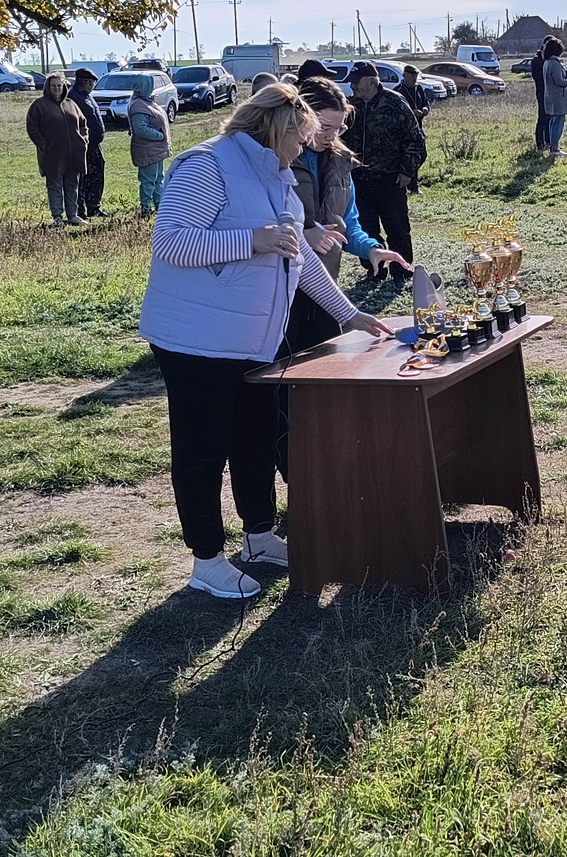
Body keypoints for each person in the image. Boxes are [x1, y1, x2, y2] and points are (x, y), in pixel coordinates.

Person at [139, 83, 394, 599]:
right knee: (203, 447)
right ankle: (206, 559)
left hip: (255, 338)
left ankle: (258, 535)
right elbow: (170, 242)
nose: (305, 149)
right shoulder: (206, 165)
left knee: (254, 439)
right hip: (197, 340)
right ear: (277, 130)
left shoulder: (276, 176)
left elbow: (295, 258)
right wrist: (250, 241)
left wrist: (349, 314)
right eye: (301, 138)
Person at [287, 78, 414, 348]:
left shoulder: (341, 162)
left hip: (324, 289)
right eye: (323, 127)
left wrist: (371, 249)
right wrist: (302, 237)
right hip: (281, 293)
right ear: (300, 117)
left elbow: (348, 225)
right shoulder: (278, 160)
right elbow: (258, 224)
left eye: (338, 128)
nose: (331, 136)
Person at [346, 61, 423, 262]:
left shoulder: (394, 102)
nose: (353, 86)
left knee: (397, 227)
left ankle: (402, 269)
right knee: (366, 227)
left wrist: (407, 171)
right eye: (351, 82)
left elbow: (414, 139)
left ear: (372, 82)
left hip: (390, 178)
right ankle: (373, 269)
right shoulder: (351, 107)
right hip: (360, 179)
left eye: (356, 82)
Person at [26, 71, 90, 226]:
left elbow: (83, 123)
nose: (56, 89)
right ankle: (57, 217)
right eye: (53, 86)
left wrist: (83, 141)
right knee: (55, 185)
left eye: (59, 85)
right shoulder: (39, 106)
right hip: (52, 155)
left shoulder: (71, 104)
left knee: (72, 184)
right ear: (48, 87)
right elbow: (32, 128)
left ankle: (73, 215)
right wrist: (44, 146)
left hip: (73, 154)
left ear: (64, 86)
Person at [126, 73, 171, 214]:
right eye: (150, 84)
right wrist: (160, 136)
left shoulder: (146, 101)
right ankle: (146, 207)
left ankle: (159, 205)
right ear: (144, 86)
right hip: (148, 149)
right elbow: (140, 129)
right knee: (148, 180)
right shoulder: (138, 105)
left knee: (158, 178)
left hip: (156, 149)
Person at [70, 67, 109, 219]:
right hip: (82, 146)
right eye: (92, 82)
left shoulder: (87, 96)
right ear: (85, 82)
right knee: (82, 178)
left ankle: (94, 207)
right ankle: (80, 210)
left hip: (94, 145)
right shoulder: (72, 98)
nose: (93, 85)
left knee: (96, 175)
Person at [541, 44, 567, 158]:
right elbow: (560, 81)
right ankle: (555, 148)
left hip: (550, 96)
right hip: (557, 97)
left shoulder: (546, 62)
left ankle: (553, 146)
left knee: (553, 121)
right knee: (558, 122)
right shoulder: (555, 63)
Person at [531, 34, 555, 153]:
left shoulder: (549, 59)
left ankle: (549, 142)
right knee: (542, 118)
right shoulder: (537, 60)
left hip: (550, 92)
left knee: (550, 118)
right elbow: (538, 77)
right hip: (542, 92)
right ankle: (540, 143)